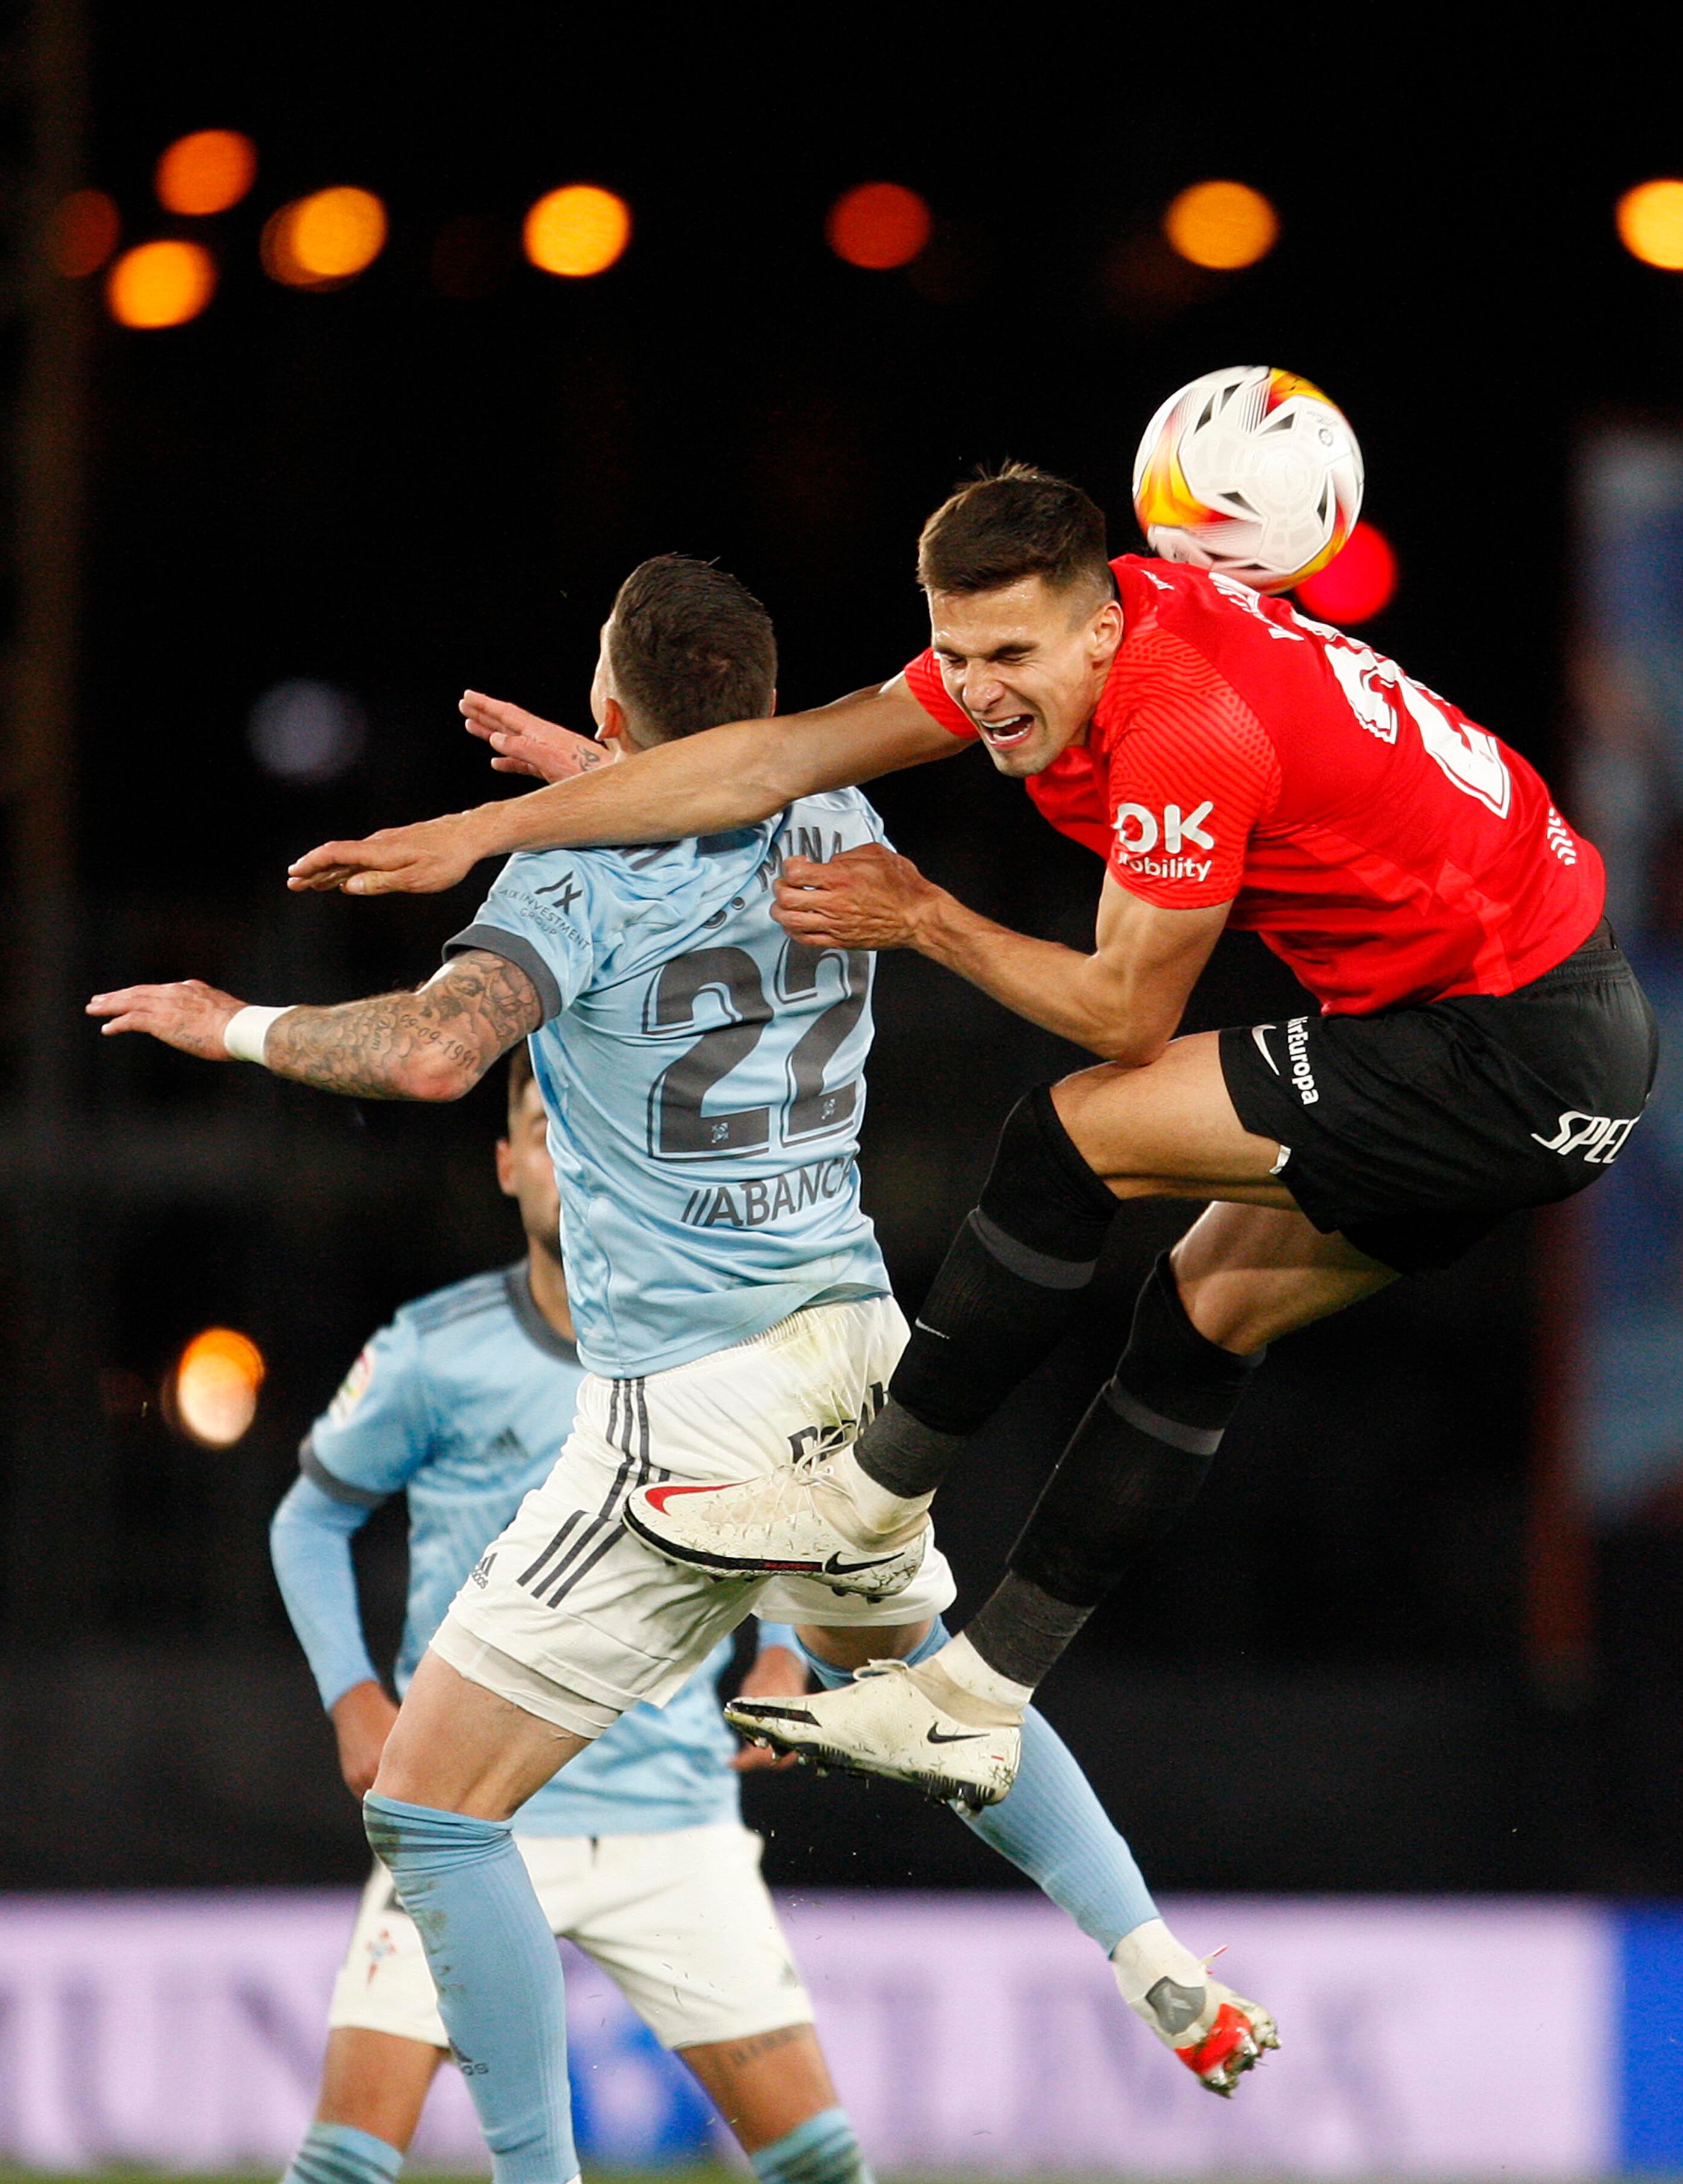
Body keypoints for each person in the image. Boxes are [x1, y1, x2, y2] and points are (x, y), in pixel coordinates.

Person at [90, 551, 1278, 2184]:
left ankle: (534, 2178)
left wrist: (234, 1022)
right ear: (771, 720)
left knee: (432, 1813)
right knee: (941, 1693)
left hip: (693, 1407)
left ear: (608, 703)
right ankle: (1160, 1966)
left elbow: (434, 1049)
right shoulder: (840, 828)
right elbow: (719, 813)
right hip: (866, 1366)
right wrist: (601, 775)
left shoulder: (564, 891)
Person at [284, 466, 1655, 1813]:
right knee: (1202, 1306)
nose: (981, 689)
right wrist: (478, 830)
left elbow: (1122, 1012)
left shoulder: (1184, 728)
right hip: (1528, 1029)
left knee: (1067, 1139)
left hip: (1504, 1047)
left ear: (1102, 628)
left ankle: (860, 1499)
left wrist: (923, 915)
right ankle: (973, 1702)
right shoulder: (1055, 649)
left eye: (1010, 654)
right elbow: (764, 760)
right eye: (954, 652)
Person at [269, 1045, 872, 2184]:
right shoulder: (434, 1350)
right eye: (543, 1126)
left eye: (585, 1124)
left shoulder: (712, 1345)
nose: (566, 1150)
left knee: (824, 2167)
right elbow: (307, 1519)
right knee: (344, 2167)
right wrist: (353, 1696)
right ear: (507, 1165)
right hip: (466, 1815)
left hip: (671, 1817)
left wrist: (786, 1655)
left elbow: (794, 1503)